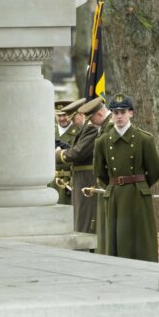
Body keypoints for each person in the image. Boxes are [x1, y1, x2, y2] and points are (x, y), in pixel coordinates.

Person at [94, 93, 159, 260]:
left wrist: (140, 185)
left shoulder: (144, 139)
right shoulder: (102, 141)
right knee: (117, 241)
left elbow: (155, 170)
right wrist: (115, 186)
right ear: (111, 114)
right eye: (115, 112)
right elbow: (100, 173)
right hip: (115, 196)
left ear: (131, 113)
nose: (119, 116)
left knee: (140, 239)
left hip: (137, 195)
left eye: (123, 112)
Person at [56, 98, 97, 233]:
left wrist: (58, 154)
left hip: (86, 179)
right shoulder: (84, 129)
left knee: (84, 220)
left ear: (81, 114)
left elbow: (77, 153)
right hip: (79, 179)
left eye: (73, 119)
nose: (72, 122)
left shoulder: (90, 129)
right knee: (79, 219)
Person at [78, 97, 112, 248]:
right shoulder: (105, 127)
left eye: (91, 119)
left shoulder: (110, 127)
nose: (90, 123)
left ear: (98, 114)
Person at [50, 100, 80, 205]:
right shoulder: (48, 130)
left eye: (64, 115)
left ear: (71, 114)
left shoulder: (79, 132)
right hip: (50, 183)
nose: (62, 118)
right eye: (59, 115)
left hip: (68, 182)